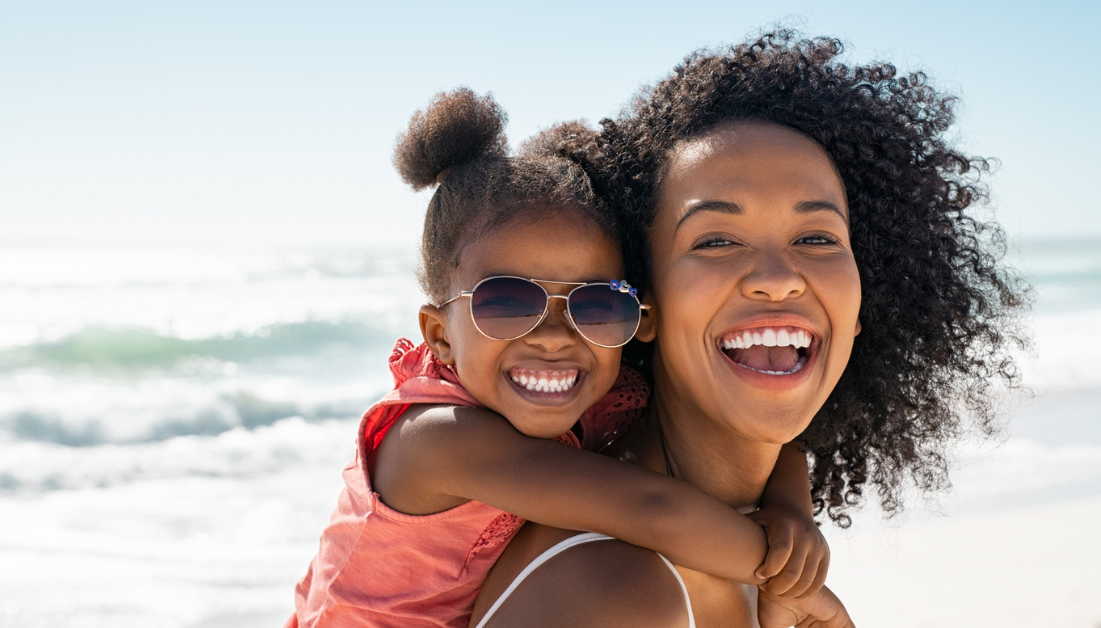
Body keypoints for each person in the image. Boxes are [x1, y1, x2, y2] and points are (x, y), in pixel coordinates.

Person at [472, 31, 1026, 628]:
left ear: (863, 308)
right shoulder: (616, 593)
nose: (777, 278)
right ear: (644, 309)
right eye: (715, 240)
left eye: (816, 238)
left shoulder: (753, 537)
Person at [287, 88, 832, 628]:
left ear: (638, 320)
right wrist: (802, 588)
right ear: (440, 335)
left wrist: (790, 512)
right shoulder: (436, 438)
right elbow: (650, 509)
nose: (553, 336)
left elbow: (761, 430)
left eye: (595, 305)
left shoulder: (601, 392)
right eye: (505, 302)